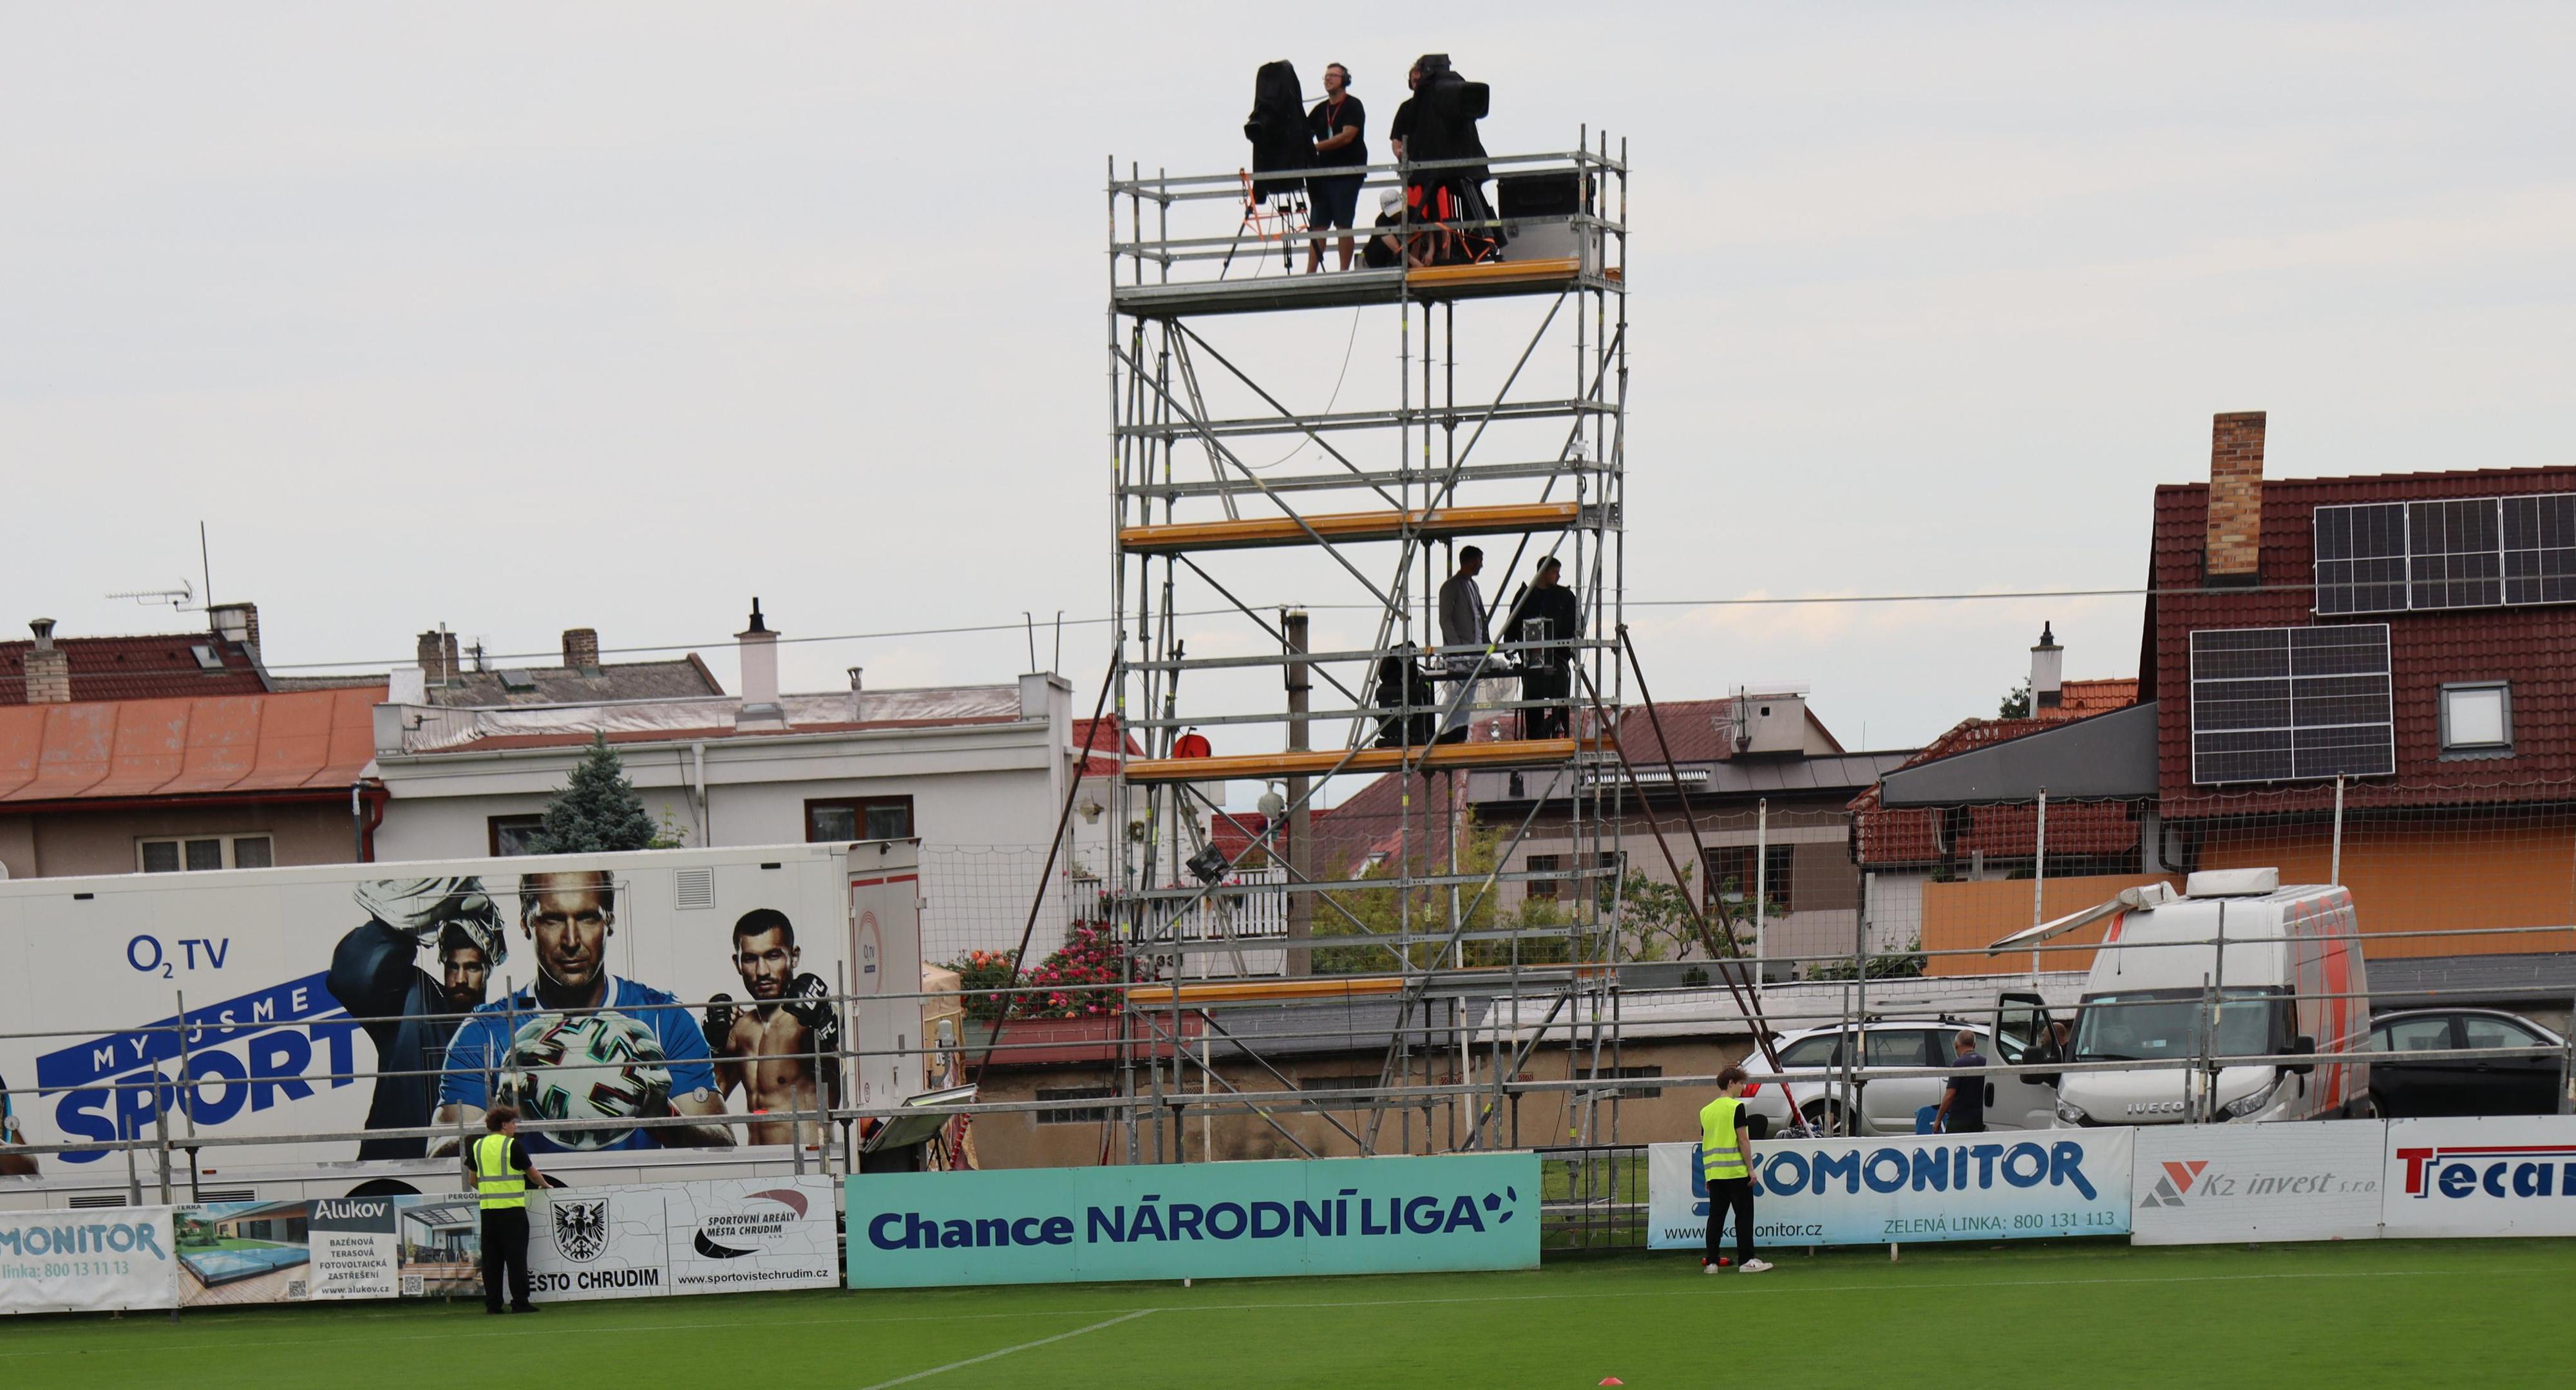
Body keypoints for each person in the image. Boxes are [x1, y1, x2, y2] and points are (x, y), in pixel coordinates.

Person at [435, 869, 733, 1153]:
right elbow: (437, 1158)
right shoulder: (483, 1032)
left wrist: (665, 1117)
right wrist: (501, 1121)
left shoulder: (663, 1019)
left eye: (588, 918)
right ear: (526, 924)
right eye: (552, 920)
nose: (572, 941)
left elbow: (724, 1147)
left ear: (610, 923)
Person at [328, 878, 508, 1158]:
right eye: (452, 966)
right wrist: (411, 918)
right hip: (393, 1167)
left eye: (472, 967)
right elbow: (350, 976)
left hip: (472, 1168)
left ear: (488, 969)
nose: (460, 979)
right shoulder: (414, 1001)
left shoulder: (503, 1031)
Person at [703, 908, 841, 1147]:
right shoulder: (742, 1030)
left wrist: (827, 1030)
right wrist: (715, 1047)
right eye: (751, 959)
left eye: (773, 956)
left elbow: (837, 1095)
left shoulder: (808, 1023)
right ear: (738, 964)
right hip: (758, 1163)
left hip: (808, 1164)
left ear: (794, 957)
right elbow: (711, 1104)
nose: (762, 971)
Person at [1699, 1066, 1773, 1274]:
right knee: (1743, 1216)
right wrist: (1751, 1169)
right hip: (1736, 1172)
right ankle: (1746, 1260)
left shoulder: (1705, 1111)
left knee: (1715, 1217)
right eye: (1741, 1083)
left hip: (1715, 1174)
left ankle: (1712, 1263)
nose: (1743, 1087)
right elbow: (1743, 1140)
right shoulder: (1736, 1108)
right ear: (1731, 1083)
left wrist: (1708, 1174)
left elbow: (1706, 1144)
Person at [468, 1105, 542, 1315]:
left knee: (492, 1262)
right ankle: (520, 1302)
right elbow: (532, 1173)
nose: (515, 1127)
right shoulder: (512, 1146)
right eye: (513, 1123)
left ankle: (493, 1304)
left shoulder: (478, 1146)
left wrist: (491, 1191)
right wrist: (545, 1185)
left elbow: (472, 1180)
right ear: (504, 1125)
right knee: (516, 1258)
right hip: (512, 1210)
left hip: (488, 1211)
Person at [1501, 555, 1581, 738]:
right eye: (1555, 572)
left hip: (1558, 660)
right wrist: (1510, 649)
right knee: (1532, 699)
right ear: (1543, 573)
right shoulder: (1525, 597)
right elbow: (1512, 625)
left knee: (1560, 700)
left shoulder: (1565, 597)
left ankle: (1560, 732)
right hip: (1531, 661)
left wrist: (1570, 646)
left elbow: (1577, 626)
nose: (1558, 577)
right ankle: (1535, 735)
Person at [1305, 63, 1366, 273]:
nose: (1328, 79)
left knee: (1343, 223)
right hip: (1323, 174)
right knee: (1318, 225)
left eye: (1333, 75)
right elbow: (1303, 134)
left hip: (1347, 173)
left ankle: (1343, 271)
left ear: (1345, 80)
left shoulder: (1353, 106)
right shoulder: (1320, 110)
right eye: (1326, 76)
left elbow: (1347, 136)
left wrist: (1314, 148)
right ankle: (1310, 272)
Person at [1435, 546, 1492, 744]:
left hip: (1475, 653)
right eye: (1480, 560)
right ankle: (1450, 734)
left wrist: (1486, 644)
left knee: (1468, 697)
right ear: (1471, 561)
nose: (1482, 565)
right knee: (1457, 695)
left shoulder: (1473, 586)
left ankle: (1460, 734)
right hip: (1461, 655)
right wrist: (1458, 649)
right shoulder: (1451, 587)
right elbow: (1445, 620)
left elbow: (1480, 617)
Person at [1933, 1029, 1989, 1134]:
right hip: (1980, 1119)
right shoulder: (1985, 1062)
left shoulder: (1958, 1064)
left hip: (1960, 1119)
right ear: (1974, 1045)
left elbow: (1950, 1095)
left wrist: (1938, 1119)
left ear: (1956, 1045)